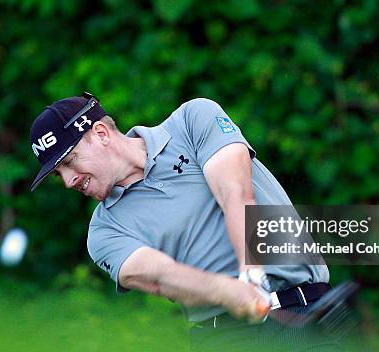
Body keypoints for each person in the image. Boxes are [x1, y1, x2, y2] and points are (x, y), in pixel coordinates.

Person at [29, 92, 339, 351]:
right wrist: (225, 291)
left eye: (69, 162)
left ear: (100, 134)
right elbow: (160, 276)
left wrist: (251, 270)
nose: (68, 181)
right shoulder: (103, 231)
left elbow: (234, 191)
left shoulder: (192, 120)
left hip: (306, 312)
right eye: (59, 174)